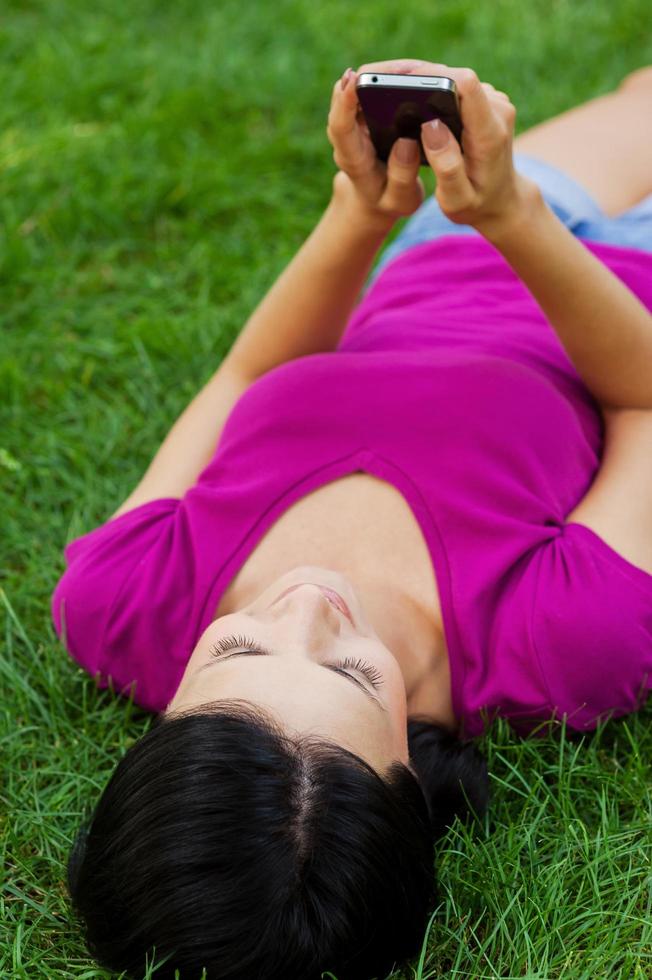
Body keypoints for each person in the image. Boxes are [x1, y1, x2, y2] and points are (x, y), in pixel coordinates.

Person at [51, 59, 652, 980]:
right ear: (412, 784)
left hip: (443, 251)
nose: (305, 604)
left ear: (168, 715)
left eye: (238, 654)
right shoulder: (562, 644)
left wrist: (362, 212)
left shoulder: (126, 600)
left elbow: (244, 377)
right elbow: (645, 405)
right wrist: (514, 219)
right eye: (351, 672)